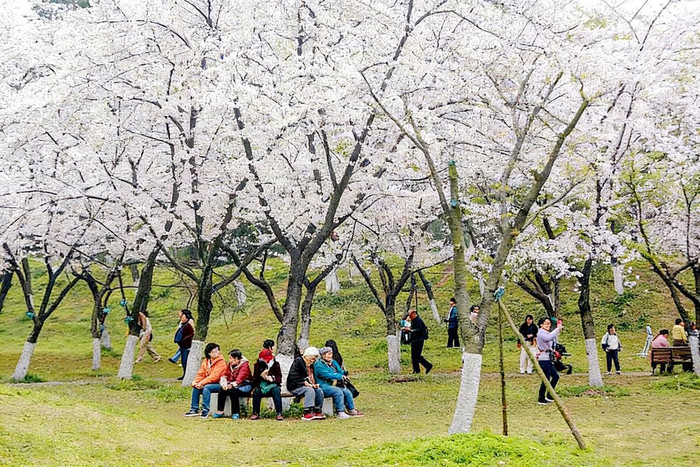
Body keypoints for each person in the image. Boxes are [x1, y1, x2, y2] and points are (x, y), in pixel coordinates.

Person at [314, 346, 363, 418]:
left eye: (331, 354)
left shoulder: (333, 362)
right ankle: (340, 412)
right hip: (322, 385)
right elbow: (327, 374)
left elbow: (340, 371)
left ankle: (351, 410)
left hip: (332, 384)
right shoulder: (318, 364)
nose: (330, 356)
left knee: (346, 391)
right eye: (328, 354)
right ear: (323, 355)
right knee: (337, 391)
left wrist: (343, 374)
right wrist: (339, 376)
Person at [185, 343, 226, 418]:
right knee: (196, 387)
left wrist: (202, 383)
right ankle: (194, 409)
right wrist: (196, 382)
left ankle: (205, 410)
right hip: (207, 382)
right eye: (213, 352)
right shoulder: (206, 361)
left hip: (219, 383)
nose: (216, 353)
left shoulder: (221, 362)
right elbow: (201, 373)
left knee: (206, 387)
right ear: (209, 353)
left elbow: (214, 376)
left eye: (217, 351)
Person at [286, 346, 325, 421]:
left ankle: (317, 410)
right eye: (312, 359)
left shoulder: (311, 364)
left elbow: (311, 376)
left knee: (319, 390)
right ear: (306, 357)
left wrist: (314, 384)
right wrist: (303, 382)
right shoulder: (298, 361)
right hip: (295, 386)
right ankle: (307, 412)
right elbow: (292, 375)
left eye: (314, 359)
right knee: (309, 390)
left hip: (307, 385)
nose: (313, 361)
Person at [212, 349, 252, 420]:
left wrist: (231, 385)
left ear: (236, 359)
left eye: (230, 358)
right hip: (234, 384)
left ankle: (235, 413)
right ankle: (220, 410)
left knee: (233, 391)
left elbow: (240, 379)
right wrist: (224, 383)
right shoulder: (230, 365)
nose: (229, 360)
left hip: (245, 385)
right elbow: (226, 374)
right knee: (222, 390)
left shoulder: (244, 365)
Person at [250, 348, 284, 421]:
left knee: (276, 391)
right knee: (256, 392)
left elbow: (279, 379)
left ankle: (279, 413)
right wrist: (261, 376)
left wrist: (271, 378)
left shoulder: (276, 364)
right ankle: (255, 413)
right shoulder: (257, 365)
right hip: (261, 385)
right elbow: (254, 379)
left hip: (273, 385)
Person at [536, 317, 563, 405]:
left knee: (555, 376)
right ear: (541, 325)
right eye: (546, 323)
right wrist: (557, 329)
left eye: (549, 323)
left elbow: (551, 341)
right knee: (546, 379)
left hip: (548, 358)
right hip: (543, 359)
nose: (548, 325)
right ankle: (541, 398)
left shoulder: (546, 333)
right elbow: (548, 338)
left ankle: (549, 395)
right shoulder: (540, 333)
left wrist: (554, 351)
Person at [407, 309, 433, 374]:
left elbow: (420, 330)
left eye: (410, 315)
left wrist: (411, 330)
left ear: (413, 314)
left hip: (419, 340)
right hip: (414, 340)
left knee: (416, 356)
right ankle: (416, 370)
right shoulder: (414, 320)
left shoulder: (418, 320)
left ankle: (427, 366)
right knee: (414, 356)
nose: (409, 317)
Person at [174, 309, 194, 380]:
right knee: (183, 361)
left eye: (183, 317)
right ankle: (185, 374)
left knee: (185, 361)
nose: (181, 318)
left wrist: (183, 340)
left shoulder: (188, 325)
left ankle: (186, 375)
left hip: (186, 346)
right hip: (183, 345)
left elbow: (191, 334)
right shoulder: (183, 324)